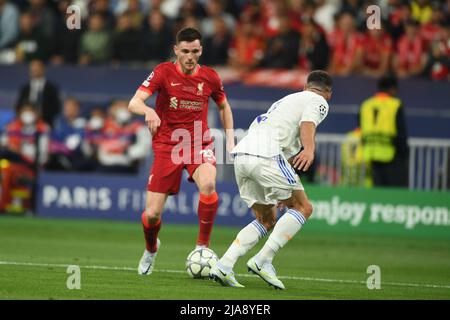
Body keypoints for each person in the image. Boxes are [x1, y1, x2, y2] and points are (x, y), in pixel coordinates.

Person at [209, 70, 332, 289]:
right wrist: (310, 150)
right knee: (303, 207)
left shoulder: (285, 100)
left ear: (305, 86)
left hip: (243, 154)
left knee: (266, 218)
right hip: (266, 155)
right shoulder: (318, 100)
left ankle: (224, 264)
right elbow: (308, 124)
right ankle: (263, 259)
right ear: (328, 94)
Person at [127, 27, 235, 276]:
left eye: (194, 51)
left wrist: (230, 138)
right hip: (167, 145)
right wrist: (149, 111)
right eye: (185, 51)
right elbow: (134, 102)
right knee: (152, 215)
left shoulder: (210, 77)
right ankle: (151, 248)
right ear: (176, 50)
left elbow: (224, 106)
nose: (189, 56)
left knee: (208, 185)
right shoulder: (163, 71)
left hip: (198, 143)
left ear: (201, 51)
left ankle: (201, 248)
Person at [359, 75, 409, 188]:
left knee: (377, 193)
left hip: (370, 155)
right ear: (392, 89)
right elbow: (401, 133)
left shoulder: (366, 105)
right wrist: (405, 155)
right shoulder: (395, 104)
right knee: (393, 196)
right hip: (391, 156)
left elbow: (362, 128)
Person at [15, 59, 61, 128]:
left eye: (37, 69)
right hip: (25, 122)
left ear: (43, 70)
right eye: (33, 70)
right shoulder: (25, 88)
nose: (34, 71)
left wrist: (39, 115)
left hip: (45, 121)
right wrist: (24, 112)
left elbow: (56, 108)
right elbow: (18, 106)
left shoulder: (51, 88)